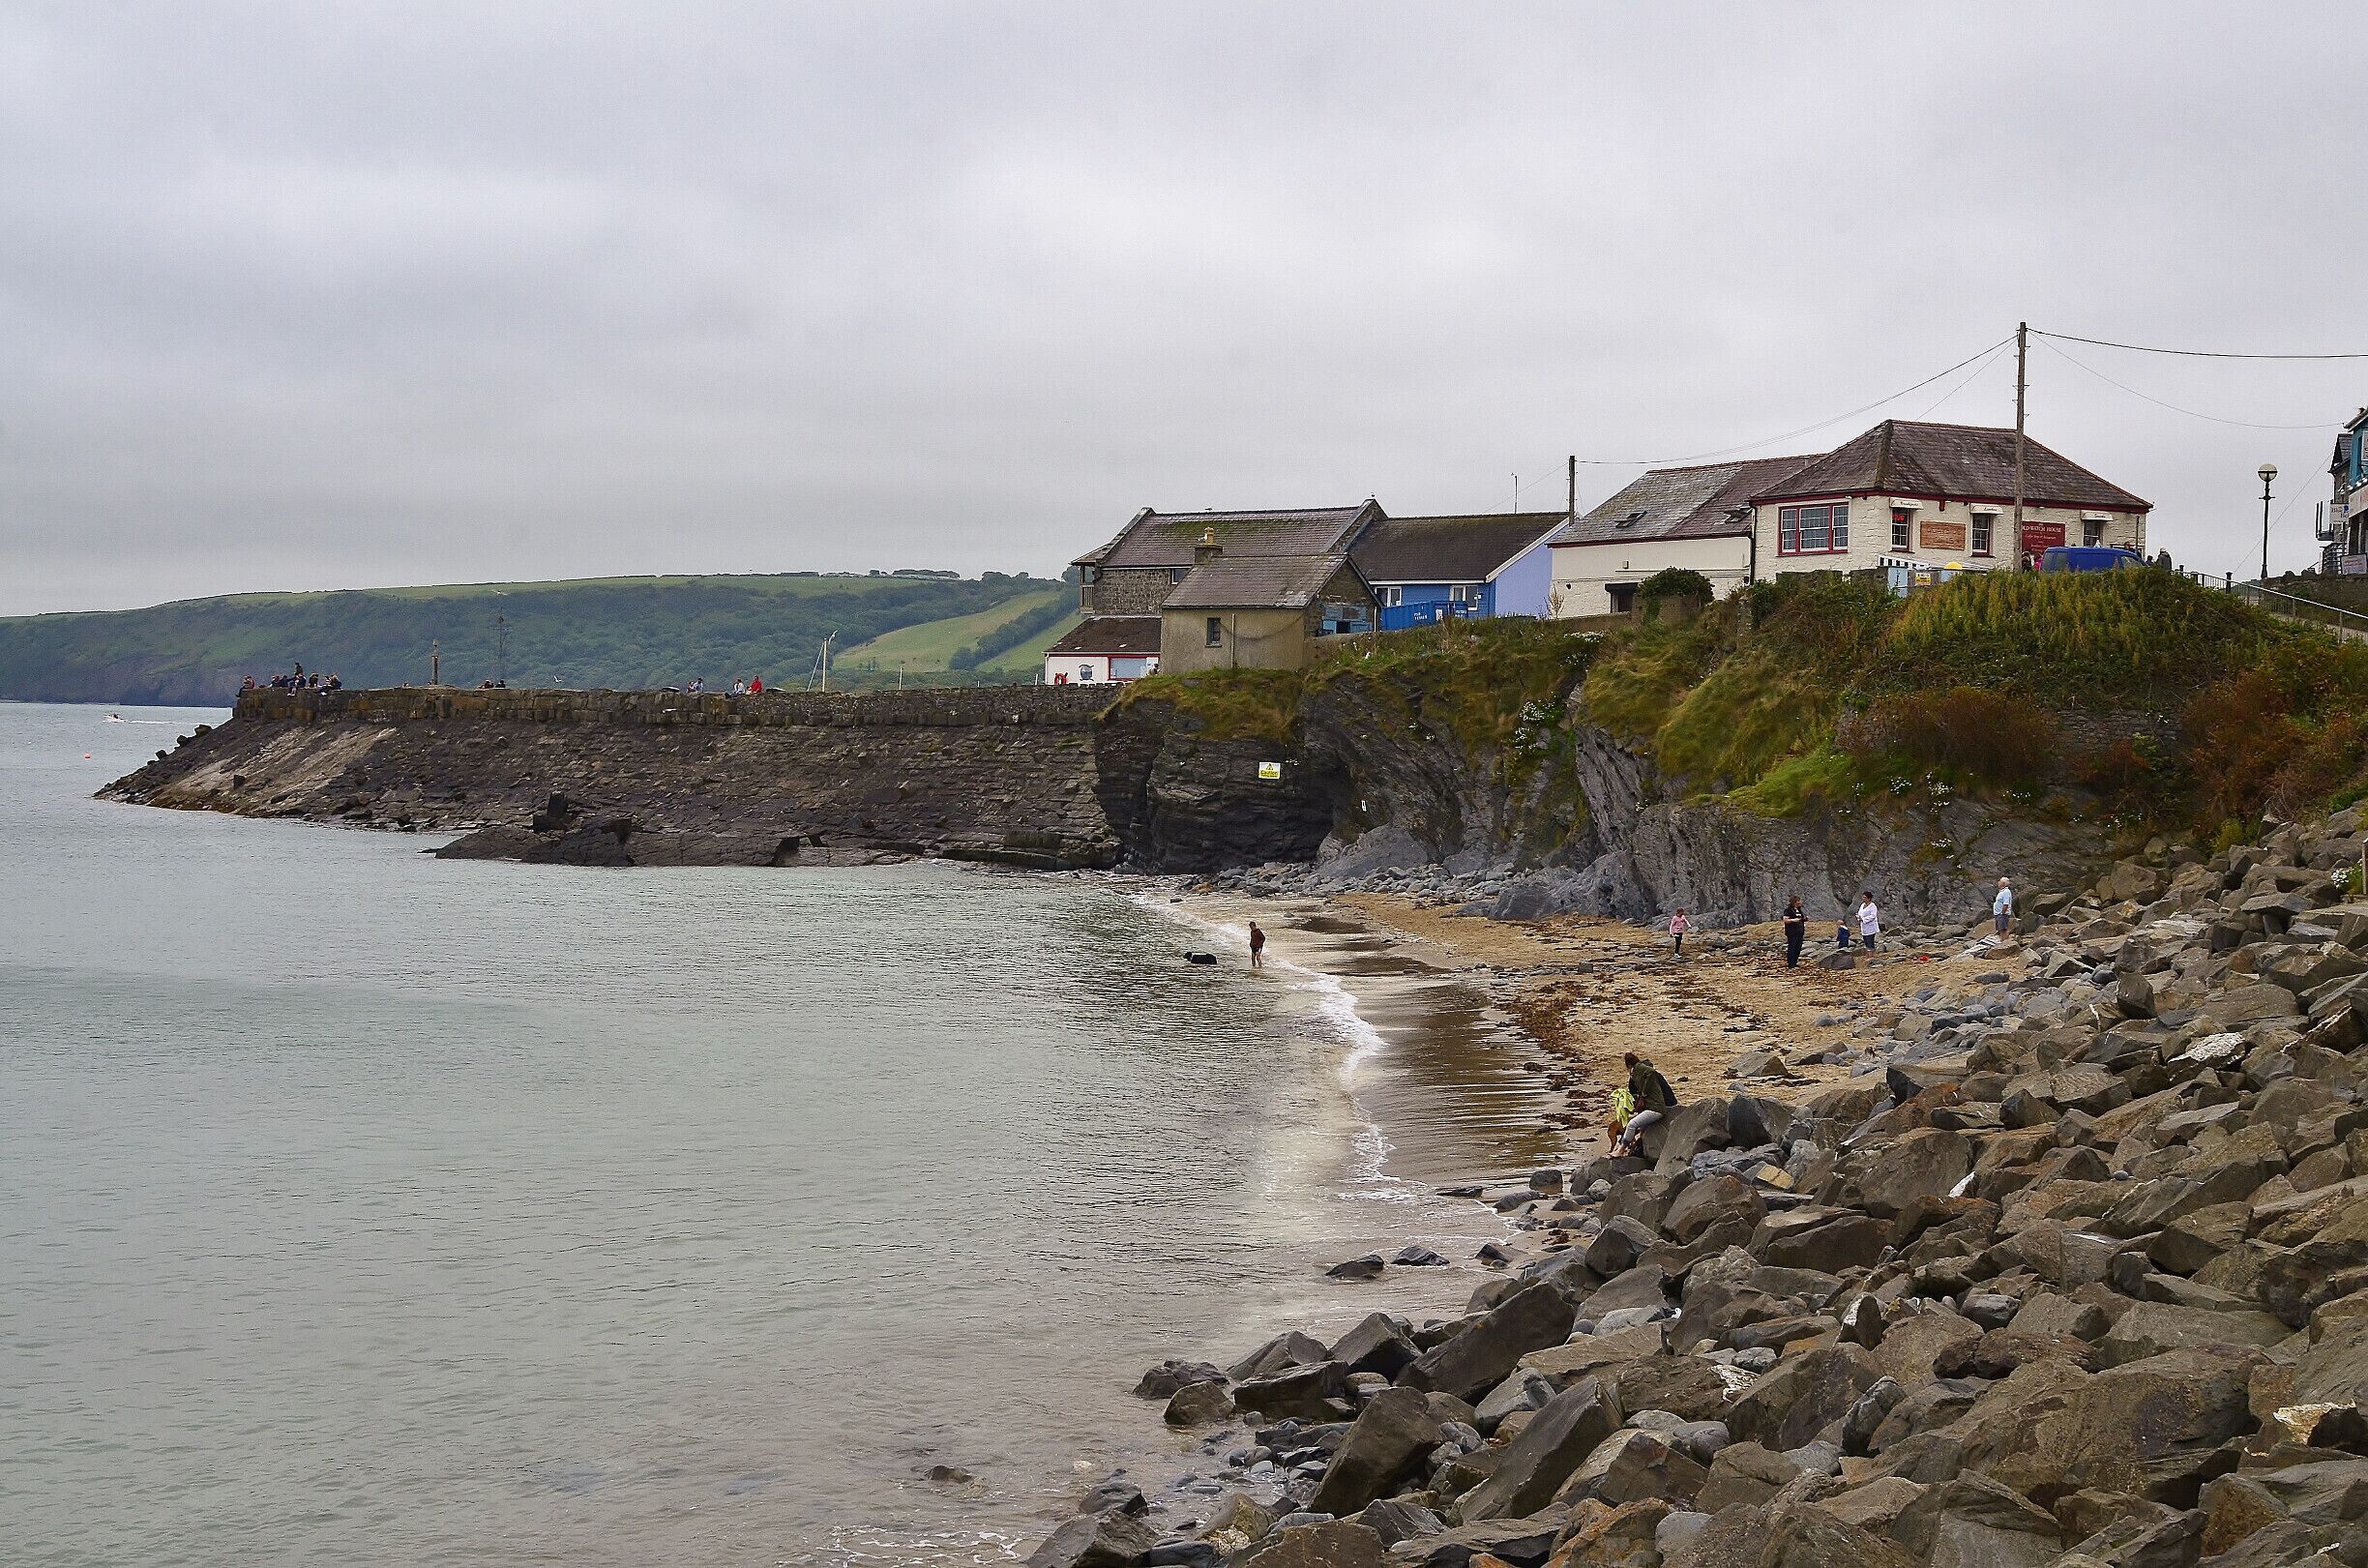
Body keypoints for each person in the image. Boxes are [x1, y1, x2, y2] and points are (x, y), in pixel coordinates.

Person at [1611, 1051, 1678, 1157]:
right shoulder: (1646, 1075)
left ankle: (1621, 1150)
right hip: (1663, 1105)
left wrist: (1643, 1094)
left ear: (1628, 1066)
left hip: (1657, 1108)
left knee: (1632, 1124)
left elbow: (1650, 1073)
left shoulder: (1640, 1072)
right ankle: (1628, 1146)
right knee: (1641, 1127)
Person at [1782, 896, 1807, 968]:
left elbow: (1800, 919)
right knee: (1792, 947)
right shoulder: (1788, 910)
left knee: (1798, 947)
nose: (1800, 902)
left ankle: (1795, 962)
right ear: (1795, 902)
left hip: (1800, 931)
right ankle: (1791, 963)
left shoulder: (1799, 910)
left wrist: (1804, 919)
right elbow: (1785, 920)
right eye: (1799, 901)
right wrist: (1794, 920)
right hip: (1792, 932)